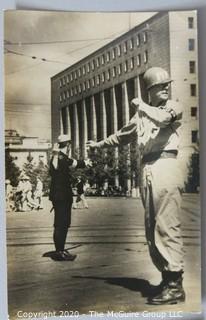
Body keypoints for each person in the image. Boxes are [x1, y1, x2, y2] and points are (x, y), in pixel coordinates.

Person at [87, 67, 185, 305]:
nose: (166, 88)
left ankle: (175, 284)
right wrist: (98, 145)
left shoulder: (173, 106)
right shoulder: (141, 115)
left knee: (166, 224)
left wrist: (141, 105)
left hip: (166, 164)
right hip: (147, 169)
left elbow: (162, 119)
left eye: (167, 84)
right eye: (160, 85)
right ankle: (167, 277)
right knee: (152, 228)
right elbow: (121, 136)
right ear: (150, 89)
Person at [49, 134, 92, 261]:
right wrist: (55, 154)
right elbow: (54, 169)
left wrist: (86, 163)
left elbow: (75, 163)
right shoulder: (58, 157)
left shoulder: (64, 158)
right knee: (61, 224)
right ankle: (59, 252)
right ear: (68, 145)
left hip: (63, 195)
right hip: (60, 195)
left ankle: (61, 250)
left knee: (64, 223)